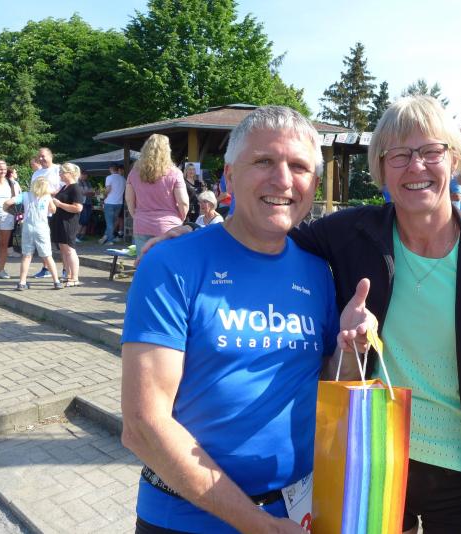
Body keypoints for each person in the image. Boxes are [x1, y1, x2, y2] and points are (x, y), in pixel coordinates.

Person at [140, 97, 461, 534]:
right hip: (375, 458)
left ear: (455, 158)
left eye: (431, 151)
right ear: (381, 168)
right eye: (399, 155)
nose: (416, 166)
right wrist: (193, 234)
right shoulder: (351, 234)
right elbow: (270, 220)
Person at [121, 105, 373, 534]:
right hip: (186, 520)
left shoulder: (316, 271)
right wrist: (258, 524)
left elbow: (327, 382)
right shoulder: (171, 263)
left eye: (299, 167)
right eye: (264, 161)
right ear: (229, 175)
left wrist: (351, 350)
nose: (283, 180)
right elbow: (143, 425)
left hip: (297, 510)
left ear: (314, 183)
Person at [125, 134, 188, 254]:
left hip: (142, 224)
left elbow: (129, 200)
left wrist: (137, 216)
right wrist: (181, 218)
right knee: (168, 263)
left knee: (144, 262)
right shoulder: (175, 173)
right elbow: (183, 202)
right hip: (169, 226)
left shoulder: (133, 173)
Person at [3, 177, 63, 291]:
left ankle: (22, 282)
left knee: (26, 256)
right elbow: (53, 210)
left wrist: (9, 210)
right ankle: (56, 281)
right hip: (42, 228)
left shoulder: (25, 195)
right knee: (47, 256)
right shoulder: (47, 197)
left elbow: (7, 202)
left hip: (28, 227)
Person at [50, 163, 84, 287]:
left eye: (62, 172)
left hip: (69, 222)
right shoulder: (64, 187)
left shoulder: (75, 188)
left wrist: (59, 204)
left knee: (69, 249)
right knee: (63, 250)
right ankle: (68, 275)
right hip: (59, 221)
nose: (60, 175)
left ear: (69, 173)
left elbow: (78, 208)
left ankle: (75, 278)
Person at [32, 148, 61, 278]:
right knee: (43, 240)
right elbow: (33, 191)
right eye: (39, 156)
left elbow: (64, 188)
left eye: (43, 156)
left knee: (61, 241)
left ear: (51, 156)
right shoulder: (36, 173)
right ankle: (46, 268)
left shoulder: (58, 169)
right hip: (41, 212)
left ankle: (66, 269)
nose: (41, 159)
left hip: (57, 209)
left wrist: (47, 193)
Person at [99, 164, 126, 244]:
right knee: (113, 222)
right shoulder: (123, 179)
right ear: (117, 169)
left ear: (111, 169)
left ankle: (110, 240)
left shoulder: (109, 177)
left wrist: (103, 197)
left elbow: (108, 189)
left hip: (109, 202)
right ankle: (106, 237)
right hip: (119, 203)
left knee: (109, 222)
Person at [76, 171, 95, 242]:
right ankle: (76, 236)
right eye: (84, 175)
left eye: (86, 175)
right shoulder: (77, 182)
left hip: (88, 202)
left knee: (86, 220)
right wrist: (88, 192)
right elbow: (81, 192)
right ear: (80, 175)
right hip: (82, 203)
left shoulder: (88, 183)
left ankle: (82, 235)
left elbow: (92, 193)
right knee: (82, 220)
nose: (85, 176)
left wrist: (88, 193)